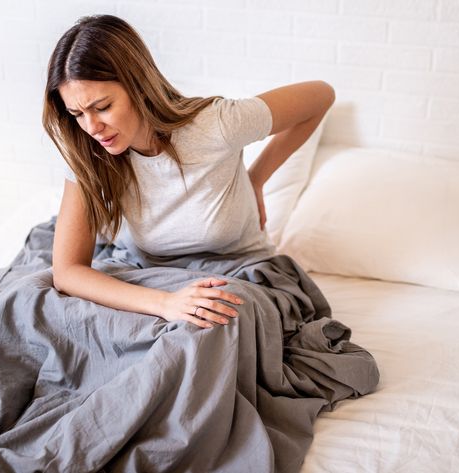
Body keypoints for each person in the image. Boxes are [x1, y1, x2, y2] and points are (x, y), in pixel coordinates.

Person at [42, 15, 334, 330]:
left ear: (138, 84)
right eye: (77, 114)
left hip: (237, 274)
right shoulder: (89, 150)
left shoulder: (217, 125)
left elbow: (321, 95)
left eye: (102, 107)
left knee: (208, 327)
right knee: (45, 313)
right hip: (149, 280)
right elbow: (68, 271)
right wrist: (165, 303)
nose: (91, 127)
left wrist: (256, 179)